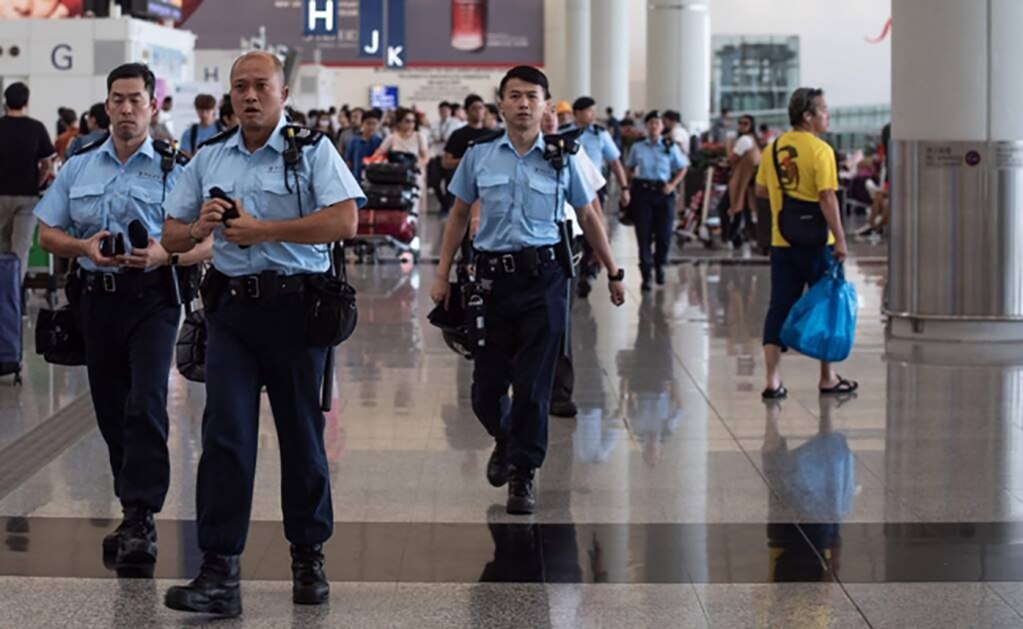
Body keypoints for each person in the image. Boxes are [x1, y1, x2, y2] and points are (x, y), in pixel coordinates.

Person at [161, 51, 365, 617]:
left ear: (282, 93)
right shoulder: (209, 157)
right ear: (229, 95)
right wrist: (196, 228)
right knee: (225, 438)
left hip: (297, 312)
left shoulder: (312, 150)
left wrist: (265, 230)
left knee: (301, 436)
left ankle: (308, 554)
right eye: (240, 87)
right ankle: (219, 571)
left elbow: (345, 220)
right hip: (230, 313)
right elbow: (171, 234)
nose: (250, 96)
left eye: (261, 87)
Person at [34, 63, 212, 567]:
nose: (128, 108)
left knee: (146, 403)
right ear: (107, 105)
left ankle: (141, 517)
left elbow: (209, 243)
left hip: (154, 299)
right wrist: (83, 245)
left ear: (152, 107)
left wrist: (165, 255)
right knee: (112, 409)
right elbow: (47, 231)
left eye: (137, 99)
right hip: (96, 299)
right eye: (119, 99)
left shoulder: (177, 167)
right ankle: (131, 509)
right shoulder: (80, 163)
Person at [431, 66, 626, 516]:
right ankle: (506, 438)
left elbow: (590, 214)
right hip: (491, 284)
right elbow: (459, 216)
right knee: (485, 390)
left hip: (545, 282)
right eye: (514, 96)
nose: (522, 104)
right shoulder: (479, 156)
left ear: (545, 104)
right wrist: (442, 275)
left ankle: (523, 472)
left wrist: (613, 271)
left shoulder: (564, 156)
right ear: (500, 104)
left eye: (531, 96)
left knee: (534, 387)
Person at [755, 87, 856, 400]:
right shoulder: (820, 150)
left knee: (778, 306)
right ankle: (827, 377)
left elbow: (760, 191)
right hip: (817, 242)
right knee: (825, 303)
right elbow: (827, 196)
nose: (828, 115)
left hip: (782, 240)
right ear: (807, 116)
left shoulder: (773, 149)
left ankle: (772, 380)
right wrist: (840, 239)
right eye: (823, 110)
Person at [564, 96, 630, 297]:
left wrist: (624, 187)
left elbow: (614, 162)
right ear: (577, 113)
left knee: (593, 224)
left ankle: (589, 270)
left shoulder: (601, 135)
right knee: (575, 228)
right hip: (568, 188)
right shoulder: (564, 135)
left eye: (594, 111)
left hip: (593, 188)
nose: (593, 115)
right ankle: (577, 265)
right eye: (589, 111)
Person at [623, 111, 689, 291]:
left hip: (663, 194)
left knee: (664, 235)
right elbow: (628, 167)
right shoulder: (638, 147)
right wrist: (626, 188)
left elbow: (683, 167)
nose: (654, 127)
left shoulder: (669, 146)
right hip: (643, 193)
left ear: (662, 127)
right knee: (643, 235)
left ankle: (660, 264)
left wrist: (673, 184)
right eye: (651, 123)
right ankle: (646, 275)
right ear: (646, 126)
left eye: (657, 124)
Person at [0, 82, 56, 279]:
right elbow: (48, 165)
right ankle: (14, 297)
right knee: (20, 250)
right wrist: (38, 182)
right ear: (27, 101)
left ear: (6, 102)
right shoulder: (36, 128)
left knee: (1, 247)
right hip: (27, 195)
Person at [373, 106, 429, 206]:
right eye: (407, 121)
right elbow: (380, 152)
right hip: (396, 176)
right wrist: (374, 159)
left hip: (413, 175)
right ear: (399, 123)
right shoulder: (392, 137)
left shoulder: (419, 136)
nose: (411, 124)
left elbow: (425, 156)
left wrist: (417, 165)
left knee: (414, 204)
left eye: (413, 121)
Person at [725, 114, 761, 247]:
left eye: (745, 123)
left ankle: (731, 237)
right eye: (740, 123)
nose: (741, 126)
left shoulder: (744, 140)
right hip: (750, 182)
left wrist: (728, 144)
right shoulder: (753, 140)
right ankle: (743, 237)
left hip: (741, 181)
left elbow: (731, 158)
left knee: (730, 207)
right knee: (747, 210)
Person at [344, 108, 382, 182]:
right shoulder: (354, 141)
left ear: (378, 125)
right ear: (362, 124)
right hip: (356, 179)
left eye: (374, 124)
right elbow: (348, 161)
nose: (371, 127)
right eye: (368, 123)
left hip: (374, 181)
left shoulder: (380, 142)